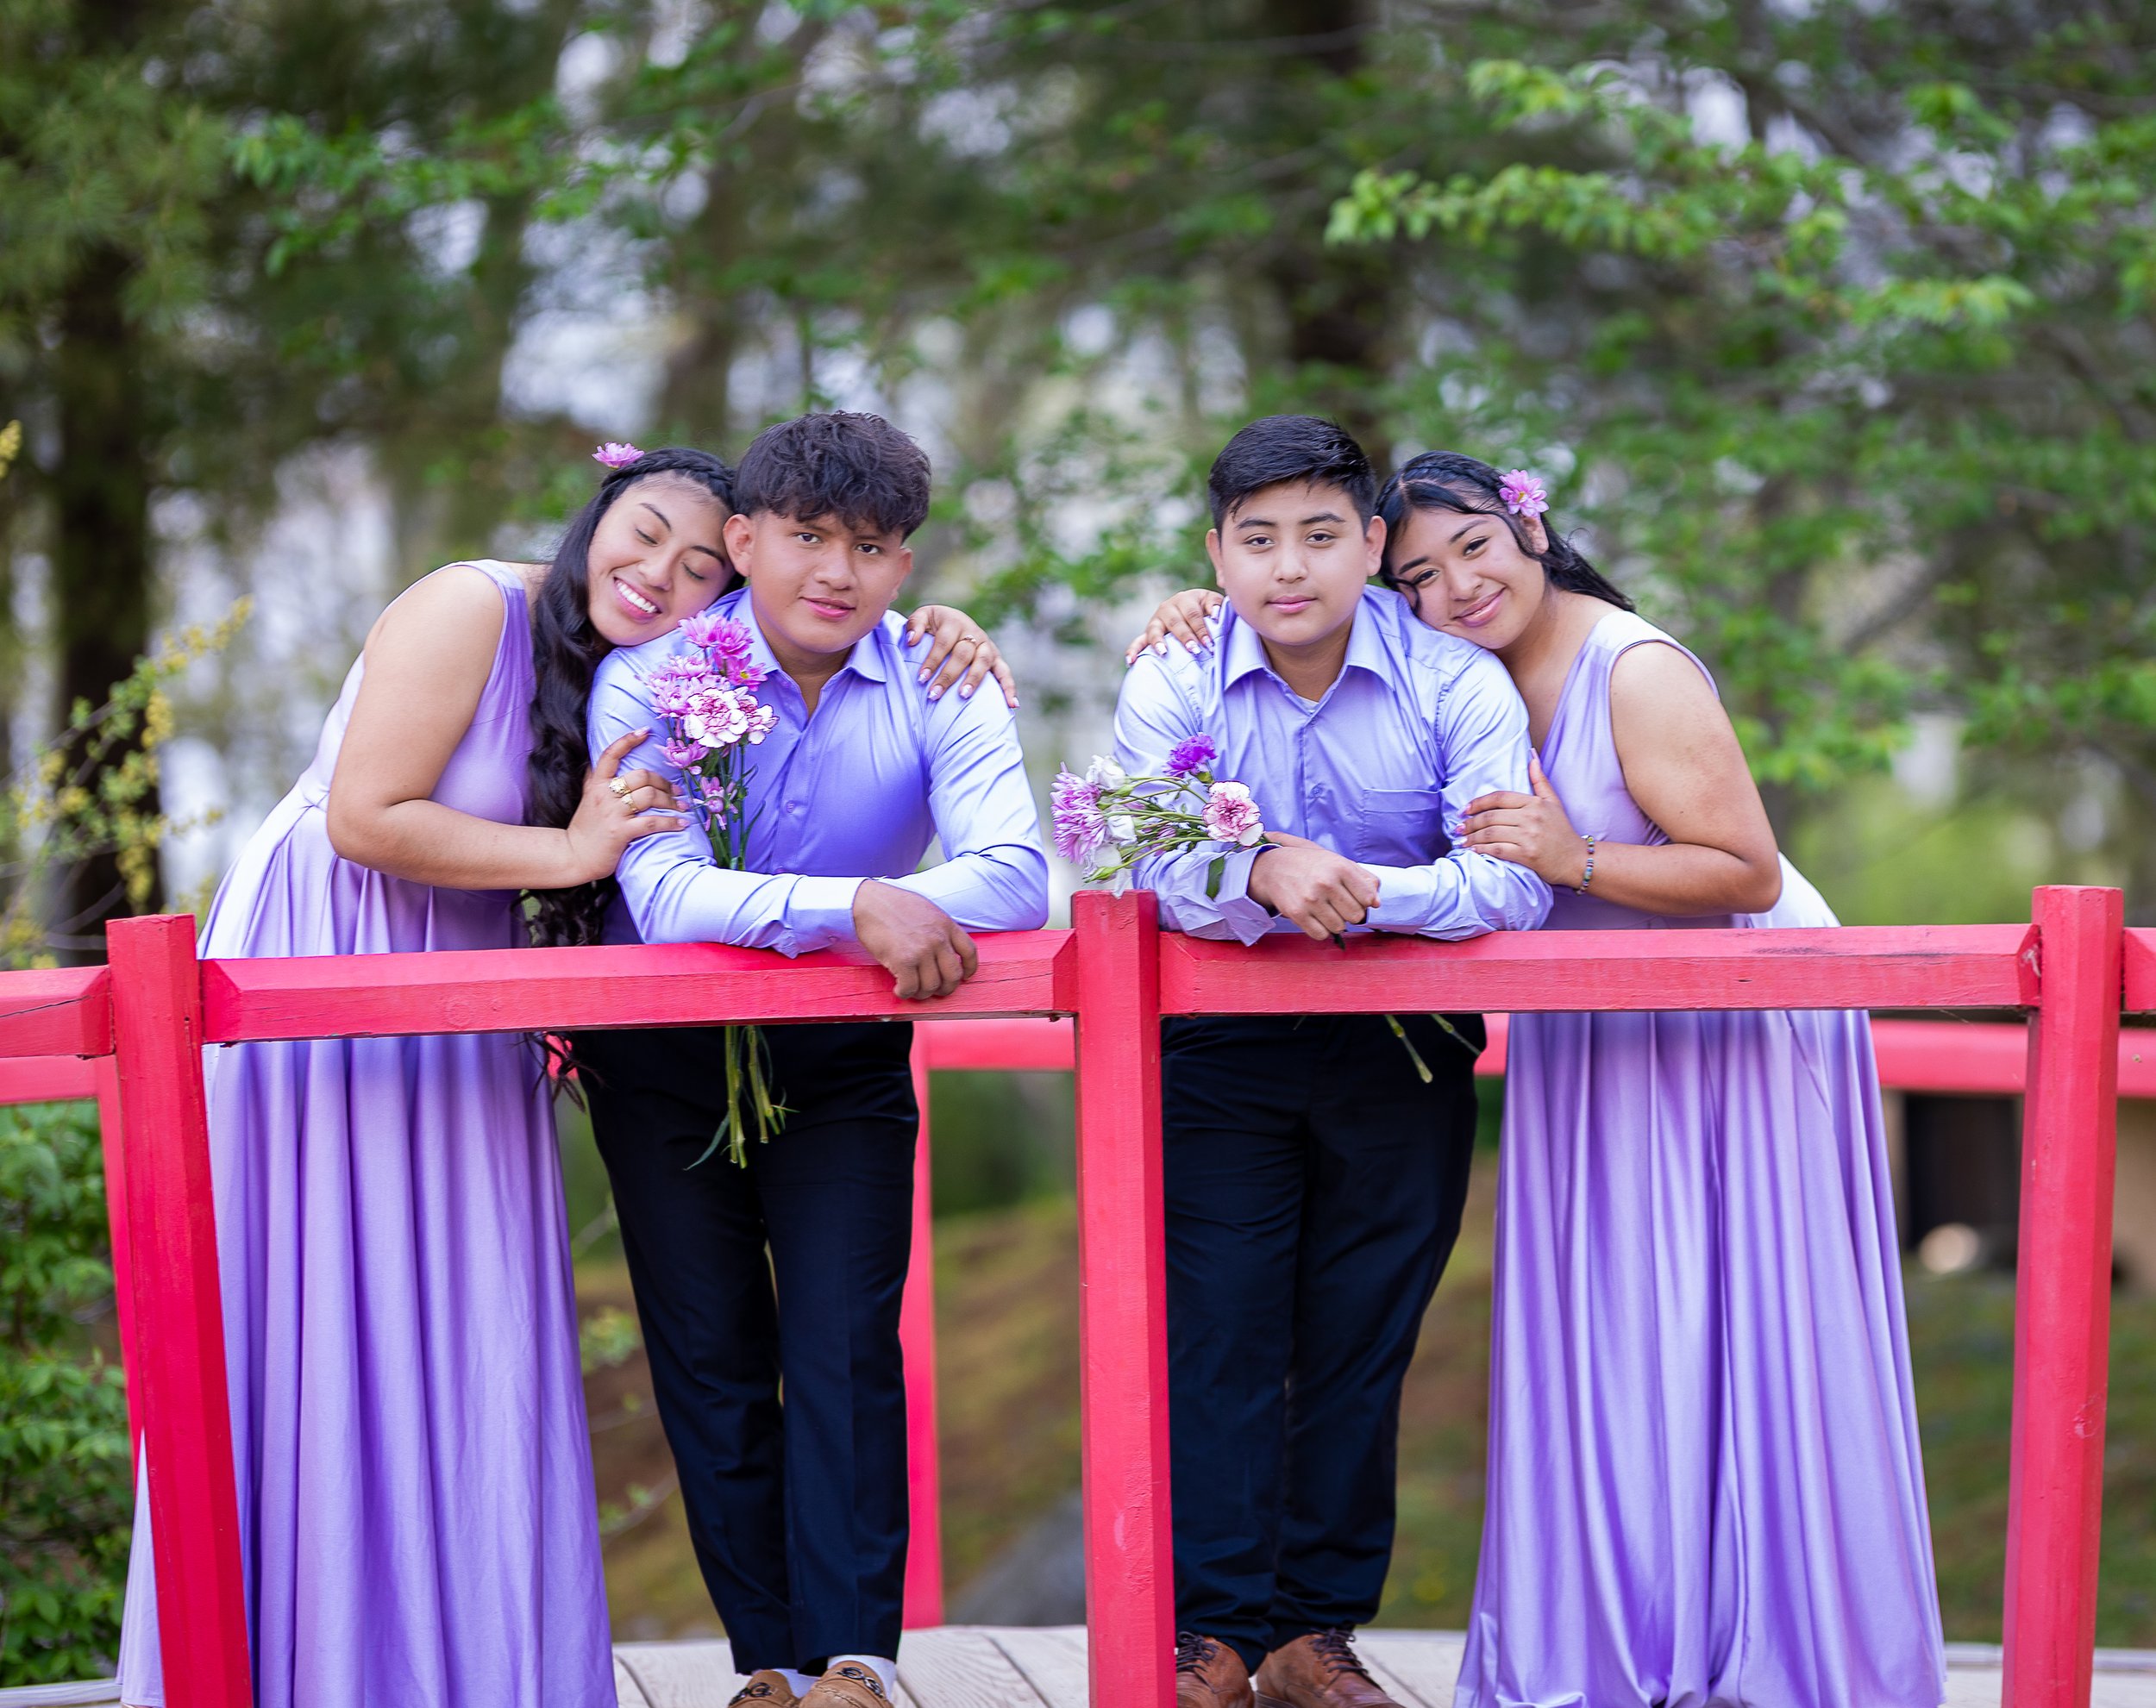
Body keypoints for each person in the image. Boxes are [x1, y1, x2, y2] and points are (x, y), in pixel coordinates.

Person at [116, 444, 1014, 1708]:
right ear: (596, 515)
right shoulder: (467, 603)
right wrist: (577, 844)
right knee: (327, 1304)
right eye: (643, 534)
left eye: (698, 565)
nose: (661, 575)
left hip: (480, 979)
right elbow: (365, 816)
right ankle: (303, 1648)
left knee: (452, 1308)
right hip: (337, 951)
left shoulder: (643, 670)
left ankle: (444, 1652)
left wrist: (942, 626)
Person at [1130, 451, 1946, 1708]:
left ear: (1532, 527)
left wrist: (1578, 856)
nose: (1453, 586)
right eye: (1420, 572)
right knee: (1629, 1328)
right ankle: (1640, 1631)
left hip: (1727, 1013)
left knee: (1746, 1318)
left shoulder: (1638, 664)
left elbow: (1743, 866)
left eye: (1474, 550)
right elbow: (1163, 804)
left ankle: (1780, 1631)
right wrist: (1206, 633)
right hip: (1593, 1022)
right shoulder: (1435, 665)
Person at [574, 411, 1049, 1708]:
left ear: (908, 563)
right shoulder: (657, 678)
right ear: (745, 540)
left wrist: (863, 908)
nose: (838, 572)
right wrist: (859, 904)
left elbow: (1013, 868)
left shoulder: (942, 677)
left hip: (845, 1053)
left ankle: (855, 1659)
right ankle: (764, 1664)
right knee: (710, 1353)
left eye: (876, 545)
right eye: (807, 537)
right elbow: (662, 891)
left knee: (844, 1343)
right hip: (663, 1056)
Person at [1114, 417, 1549, 1708]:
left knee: (1363, 1332)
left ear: (1370, 542)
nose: (1287, 566)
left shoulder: (1454, 680)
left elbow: (1509, 881)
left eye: (1319, 533)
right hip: (1218, 1046)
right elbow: (1143, 857)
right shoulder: (1175, 670)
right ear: (1217, 551)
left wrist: (1361, 890)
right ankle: (1213, 1630)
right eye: (1257, 539)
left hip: (1403, 1047)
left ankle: (1316, 1630)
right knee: (1223, 1330)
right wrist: (1257, 868)